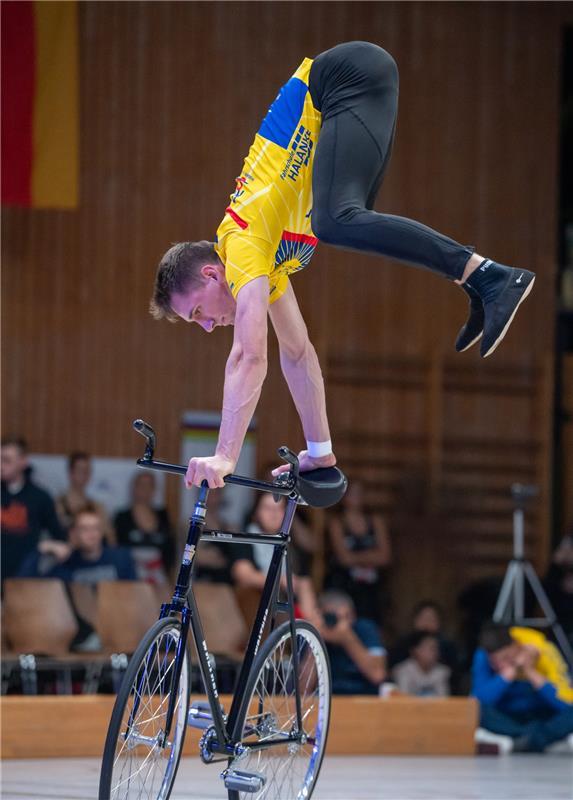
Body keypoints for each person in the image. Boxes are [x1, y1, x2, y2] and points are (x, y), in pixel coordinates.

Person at [149, 41, 536, 491]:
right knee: (338, 217)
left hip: (343, 80)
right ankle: (479, 280)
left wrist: (224, 455)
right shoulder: (266, 263)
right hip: (349, 96)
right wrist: (319, 451)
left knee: (334, 220)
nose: (206, 326)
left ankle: (486, 275)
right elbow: (297, 352)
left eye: (197, 312)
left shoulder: (241, 242)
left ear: (210, 274)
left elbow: (249, 355)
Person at [471, 623, 573, 754]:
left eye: (506, 658)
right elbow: (478, 700)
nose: (500, 665)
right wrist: (508, 674)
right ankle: (534, 740)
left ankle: (521, 741)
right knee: (478, 711)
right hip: (508, 719)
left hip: (543, 716)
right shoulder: (483, 654)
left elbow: (565, 704)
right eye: (494, 663)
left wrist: (531, 672)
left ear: (517, 645)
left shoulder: (544, 650)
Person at [1, 436, 65, 584]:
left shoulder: (39, 497)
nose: (1, 465)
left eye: (7, 460)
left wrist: (46, 546)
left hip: (24, 579)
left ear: (23, 461)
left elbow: (60, 536)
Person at [325, 482, 391, 625]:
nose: (357, 497)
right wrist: (371, 556)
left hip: (371, 588)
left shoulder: (375, 521)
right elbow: (344, 559)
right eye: (352, 493)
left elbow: (385, 557)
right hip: (344, 583)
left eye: (360, 493)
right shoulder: (337, 523)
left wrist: (356, 557)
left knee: (371, 622)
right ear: (344, 497)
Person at [19, 506, 136, 584]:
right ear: (73, 533)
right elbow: (25, 584)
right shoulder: (66, 564)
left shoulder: (121, 558)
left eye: (95, 528)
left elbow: (134, 594)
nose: (91, 534)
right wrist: (43, 547)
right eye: (84, 529)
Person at [318, 589, 386, 695]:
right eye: (332, 618)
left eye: (346, 617)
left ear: (354, 615)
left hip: (364, 696)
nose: (340, 624)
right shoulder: (314, 632)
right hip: (326, 698)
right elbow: (302, 689)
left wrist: (347, 638)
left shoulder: (365, 629)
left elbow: (378, 675)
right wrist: (317, 641)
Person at [114, 472, 175, 585]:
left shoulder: (163, 516)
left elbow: (171, 551)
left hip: (160, 580)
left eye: (149, 485)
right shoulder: (122, 517)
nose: (145, 489)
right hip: (130, 578)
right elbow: (116, 548)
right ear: (133, 488)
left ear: (154, 490)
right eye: (141, 485)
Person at [390, 600, 460, 677]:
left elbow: (454, 674)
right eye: (423, 618)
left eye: (431, 619)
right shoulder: (403, 643)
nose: (427, 623)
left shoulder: (447, 646)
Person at [55, 451, 112, 540]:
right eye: (80, 470)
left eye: (87, 471)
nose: (85, 475)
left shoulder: (97, 507)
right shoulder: (57, 505)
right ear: (71, 473)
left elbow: (110, 537)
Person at [392, 631, 451, 697]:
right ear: (415, 650)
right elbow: (403, 698)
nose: (434, 652)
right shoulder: (402, 670)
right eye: (431, 648)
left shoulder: (442, 671)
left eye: (436, 649)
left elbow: (444, 699)